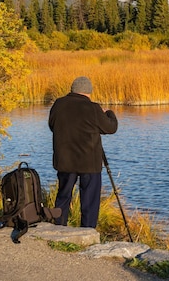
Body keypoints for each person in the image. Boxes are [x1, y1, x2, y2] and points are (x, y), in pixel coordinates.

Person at [48, 76, 118, 228]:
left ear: (72, 90)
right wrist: (109, 113)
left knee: (63, 195)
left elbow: (52, 125)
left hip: (65, 161)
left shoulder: (58, 104)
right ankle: (87, 231)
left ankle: (58, 227)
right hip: (89, 163)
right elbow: (110, 128)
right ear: (88, 92)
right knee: (89, 200)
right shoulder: (93, 108)